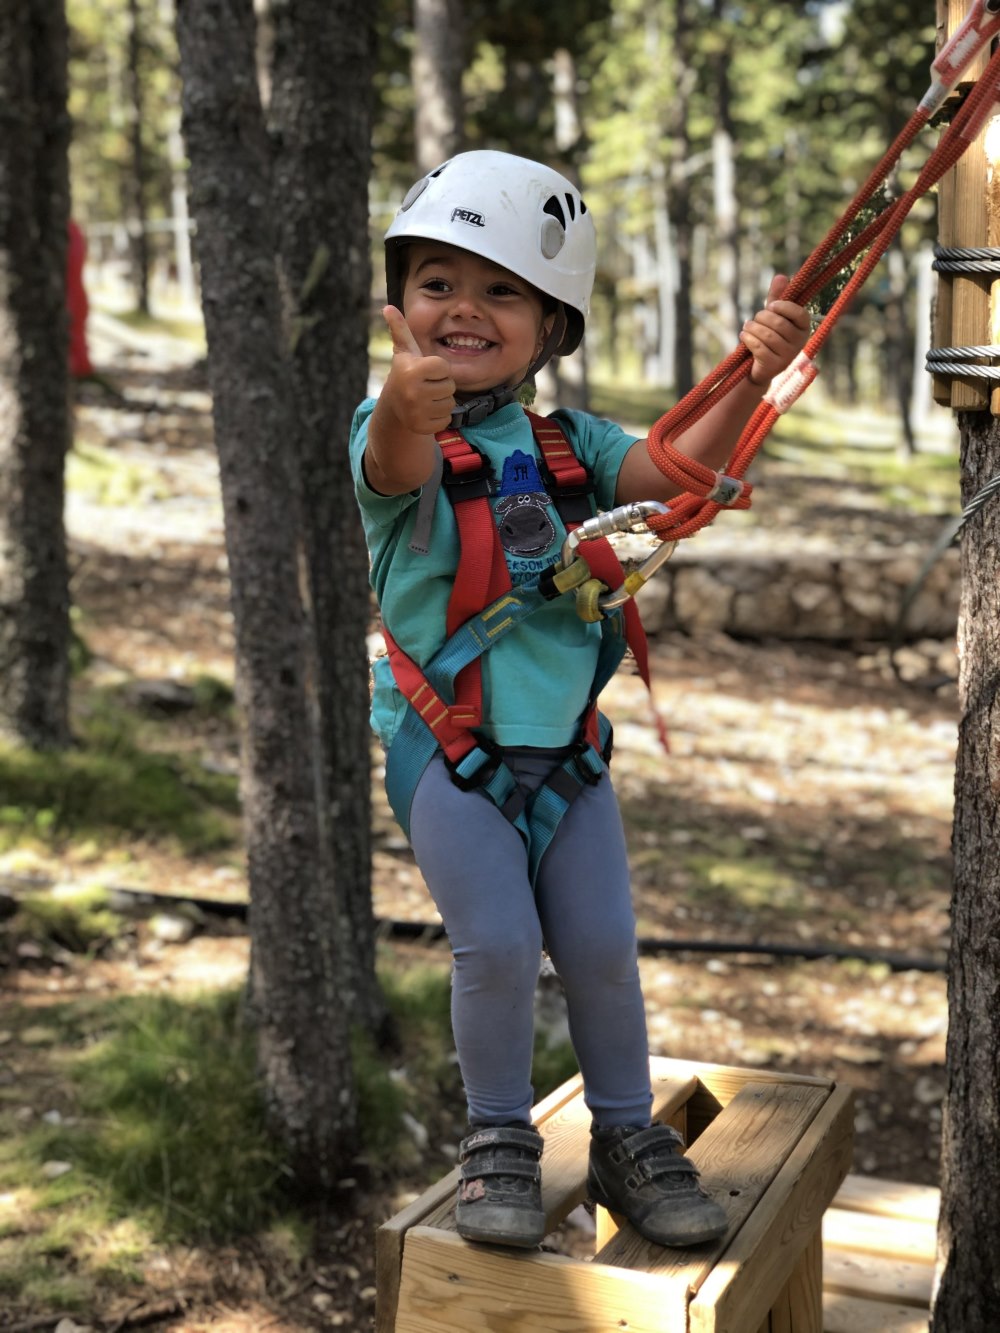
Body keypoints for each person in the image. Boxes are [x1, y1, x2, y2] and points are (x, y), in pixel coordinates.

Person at [350, 150, 810, 1251]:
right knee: (498, 946)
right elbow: (392, 460)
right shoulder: (390, 421)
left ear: (552, 325)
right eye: (437, 284)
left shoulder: (572, 445)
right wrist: (406, 404)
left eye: (501, 289)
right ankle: (498, 1137)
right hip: (448, 750)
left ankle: (622, 1135)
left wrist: (745, 374)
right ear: (400, 304)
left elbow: (667, 472)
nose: (464, 307)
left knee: (603, 947)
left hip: (569, 754)